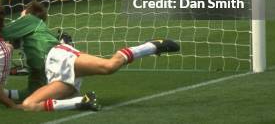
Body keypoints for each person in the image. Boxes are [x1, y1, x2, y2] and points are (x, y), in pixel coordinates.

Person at [18, 26, 179, 111]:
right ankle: (84, 101)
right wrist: (5, 94)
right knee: (32, 105)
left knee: (109, 66)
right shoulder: (28, 56)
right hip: (53, 72)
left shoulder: (25, 30)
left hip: (59, 58)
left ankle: (151, 46)